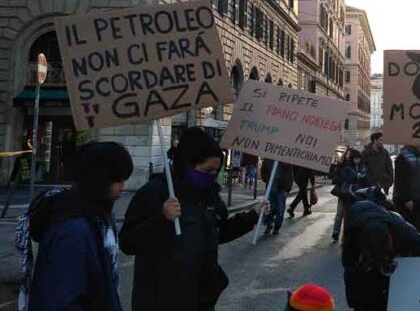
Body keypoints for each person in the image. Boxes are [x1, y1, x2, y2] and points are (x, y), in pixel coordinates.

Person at [120, 127, 259, 310]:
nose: (211, 176)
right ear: (187, 164)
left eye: (215, 171)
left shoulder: (208, 195)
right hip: (161, 301)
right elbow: (128, 242)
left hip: (200, 300)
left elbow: (218, 232)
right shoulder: (156, 192)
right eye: (207, 170)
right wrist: (162, 219)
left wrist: (253, 216)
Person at [23, 142, 132, 311]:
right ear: (100, 180)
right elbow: (63, 298)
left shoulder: (95, 217)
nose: (123, 187)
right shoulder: (72, 230)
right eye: (117, 180)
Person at [342, 198, 420, 311]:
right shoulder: (352, 239)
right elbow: (350, 269)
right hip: (357, 219)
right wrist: (354, 302)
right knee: (367, 290)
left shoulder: (402, 229)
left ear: (390, 240)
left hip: (380, 221)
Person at [331, 149, 372, 241]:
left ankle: (347, 234)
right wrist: (354, 176)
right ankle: (336, 232)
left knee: (350, 214)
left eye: (358, 158)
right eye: (355, 158)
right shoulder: (344, 166)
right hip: (345, 193)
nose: (357, 160)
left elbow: (367, 179)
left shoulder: (362, 167)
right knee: (340, 213)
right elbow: (340, 178)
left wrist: (363, 177)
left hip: (356, 194)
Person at [393, 145, 420, 234]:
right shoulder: (402, 157)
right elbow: (400, 180)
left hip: (419, 198)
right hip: (407, 200)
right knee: (408, 229)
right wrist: (407, 199)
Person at [261, 159, 294, 235]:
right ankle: (269, 224)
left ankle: (277, 227)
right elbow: (263, 170)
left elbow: (290, 175)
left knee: (280, 210)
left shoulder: (285, 160)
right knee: (269, 208)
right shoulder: (268, 160)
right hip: (271, 187)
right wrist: (266, 179)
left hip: (282, 189)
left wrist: (288, 188)